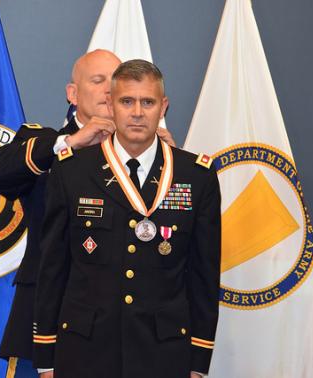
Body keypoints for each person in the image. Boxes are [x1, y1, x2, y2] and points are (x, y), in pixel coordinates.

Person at [0, 50, 175, 371]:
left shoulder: (151, 152)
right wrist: (69, 143)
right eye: (98, 80)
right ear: (72, 93)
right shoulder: (45, 141)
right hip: (49, 316)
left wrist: (165, 161)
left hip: (126, 322)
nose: (107, 90)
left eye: (115, 82)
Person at [33, 60, 221, 378]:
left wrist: (198, 361)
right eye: (126, 101)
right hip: (84, 350)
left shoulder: (196, 175)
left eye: (147, 102)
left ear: (163, 106)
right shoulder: (72, 171)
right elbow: (52, 268)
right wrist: (46, 357)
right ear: (110, 105)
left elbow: (203, 276)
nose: (137, 112)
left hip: (164, 352)